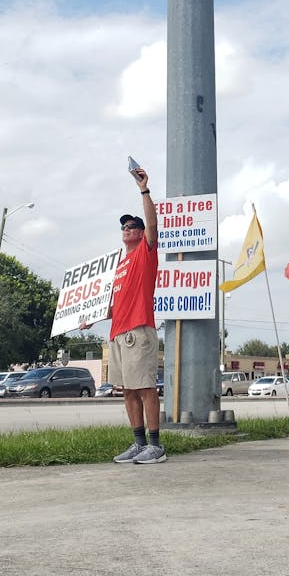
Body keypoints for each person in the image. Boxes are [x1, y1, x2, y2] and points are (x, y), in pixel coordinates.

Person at [108, 163, 165, 465]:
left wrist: (144, 189)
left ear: (141, 233)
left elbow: (154, 228)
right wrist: (89, 317)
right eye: (123, 227)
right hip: (118, 333)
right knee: (127, 391)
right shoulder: (119, 265)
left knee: (145, 388)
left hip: (139, 330)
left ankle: (156, 446)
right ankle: (138, 442)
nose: (126, 229)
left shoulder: (146, 252)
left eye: (131, 226)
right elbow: (114, 302)